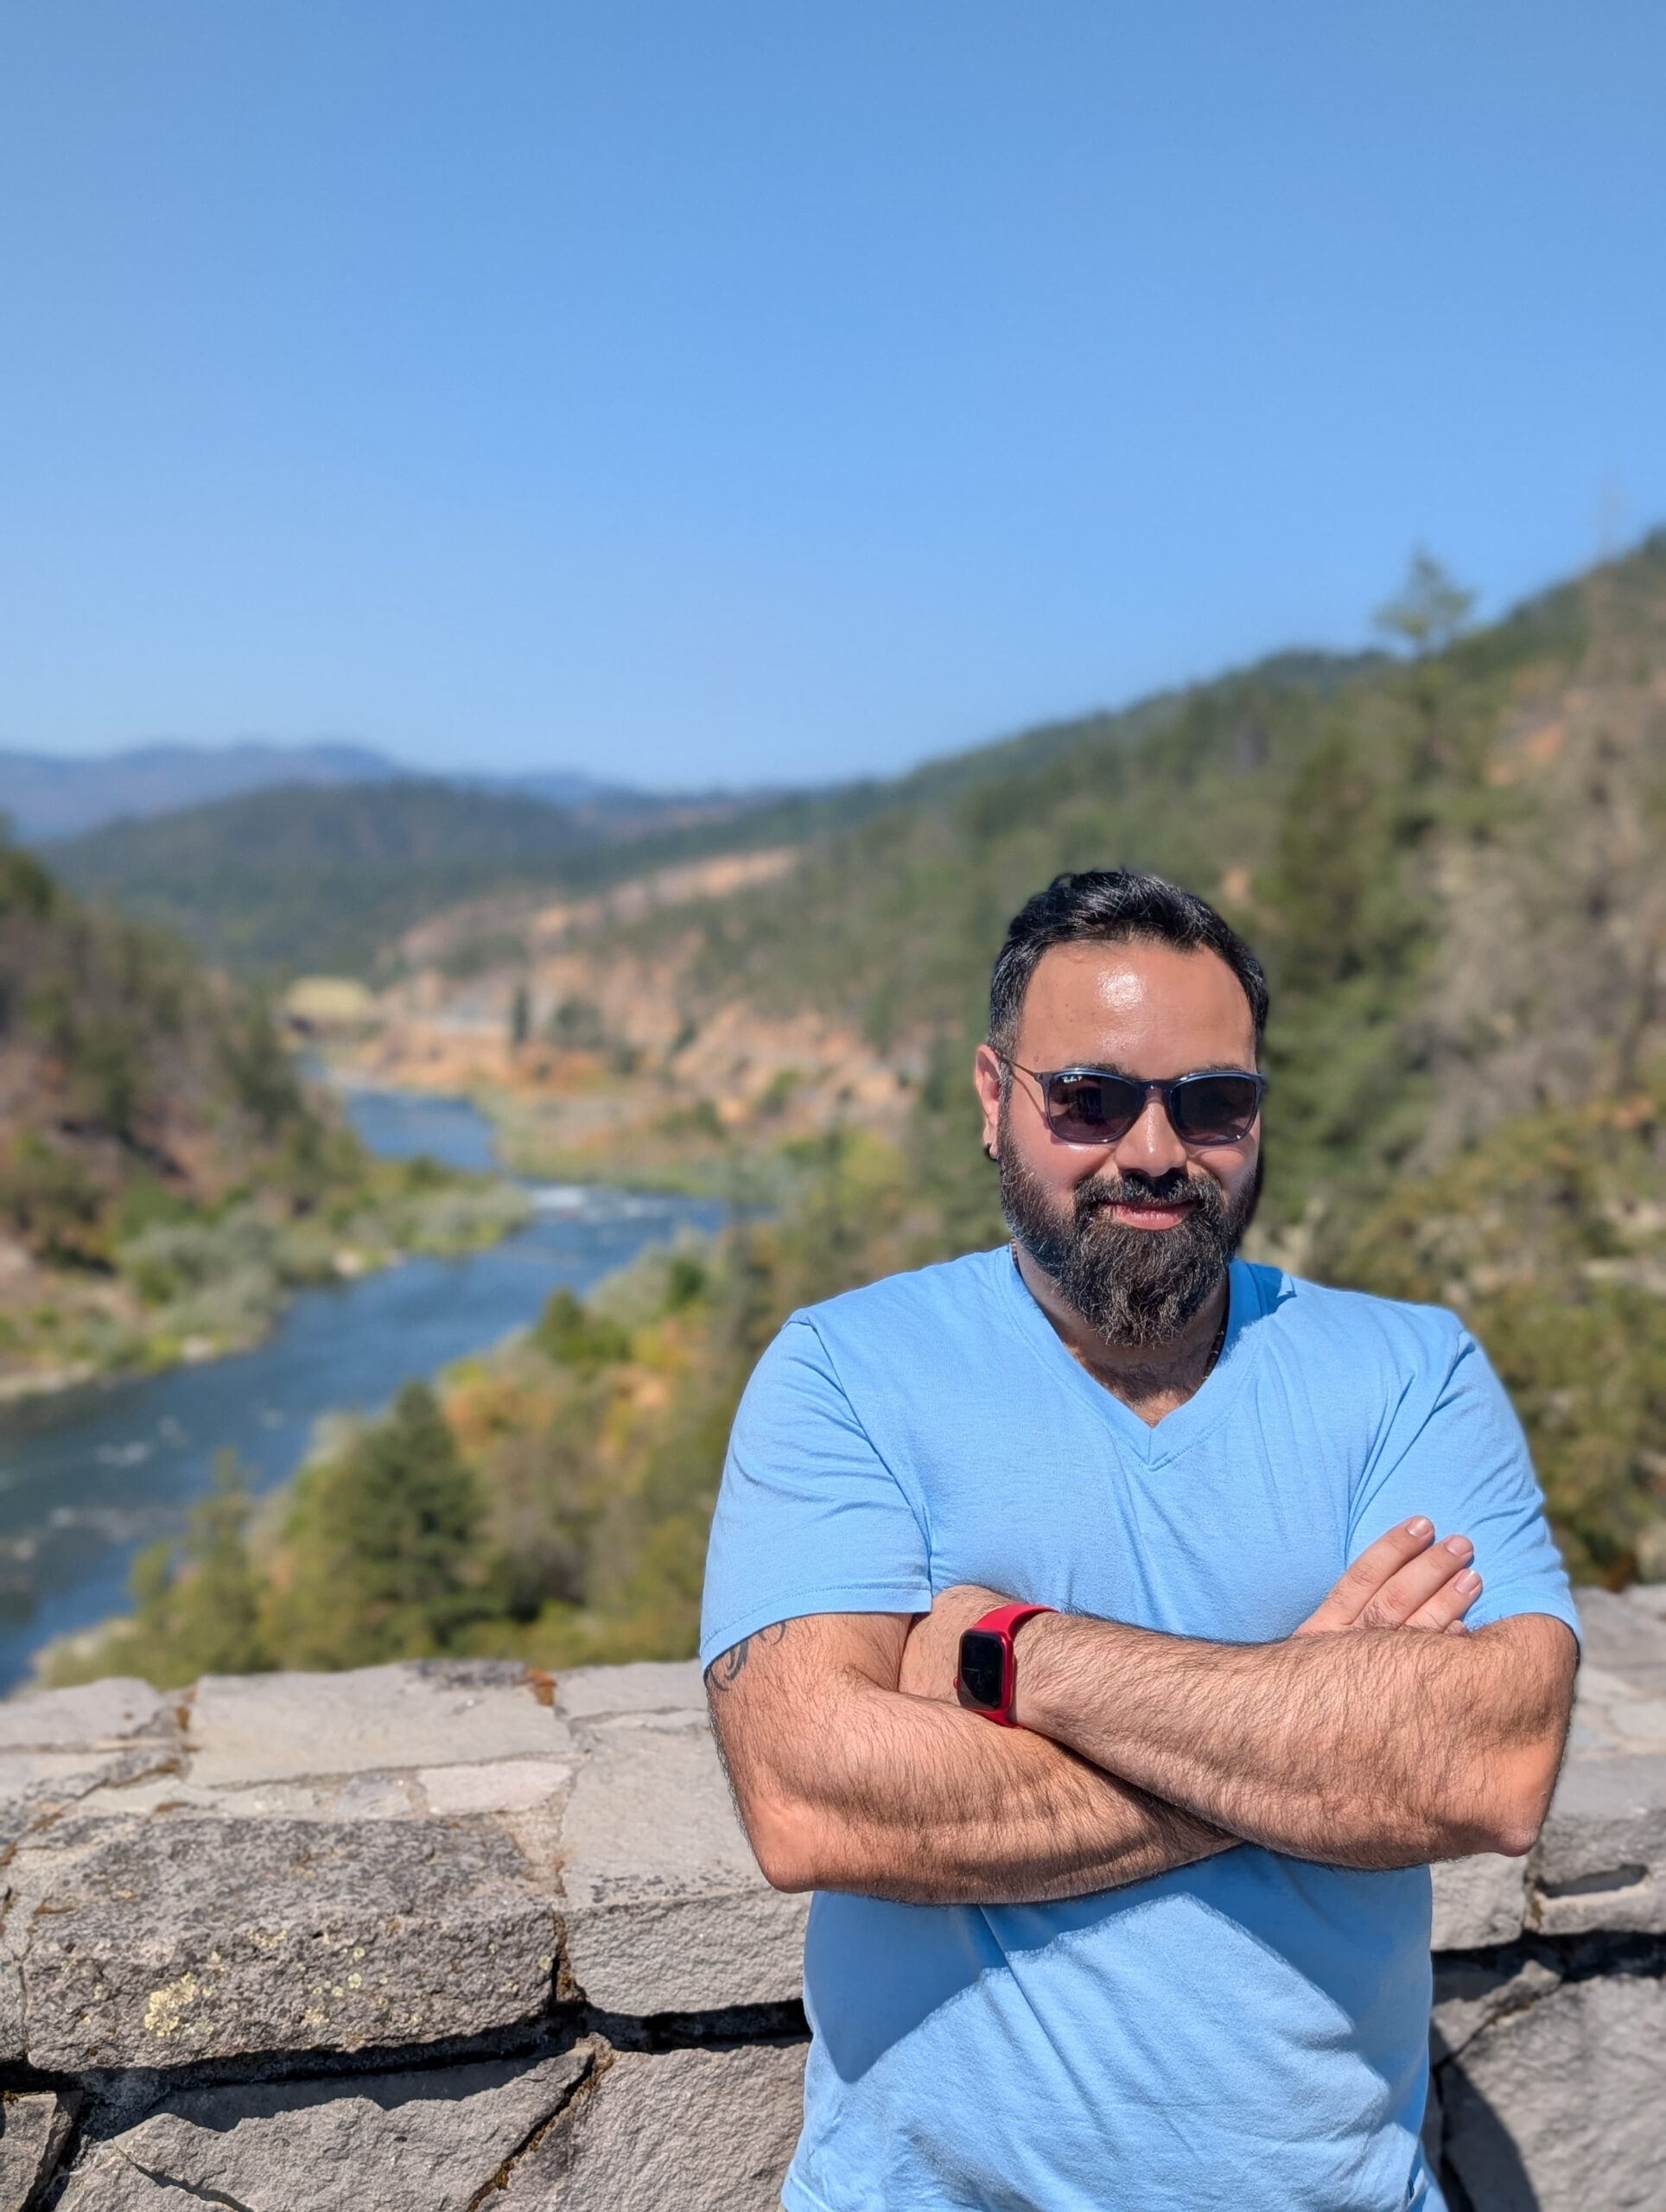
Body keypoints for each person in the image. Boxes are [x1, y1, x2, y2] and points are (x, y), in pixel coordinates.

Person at [701, 868, 1578, 2212]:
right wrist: (1308, 1725)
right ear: (995, 1100)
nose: (1157, 1150)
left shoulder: (1408, 1372)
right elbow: (810, 1795)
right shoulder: (848, 1371)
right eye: (1092, 1099)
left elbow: (1493, 1765)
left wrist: (1017, 1657)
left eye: (1213, 1101)